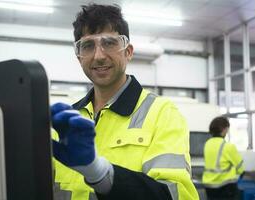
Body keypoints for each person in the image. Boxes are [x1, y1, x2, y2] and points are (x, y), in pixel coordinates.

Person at [51, 3, 199, 200]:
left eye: (109, 43)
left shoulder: (163, 114)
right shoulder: (66, 121)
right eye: (87, 46)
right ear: (79, 57)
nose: (99, 56)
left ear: (128, 52)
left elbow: (176, 195)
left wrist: (99, 173)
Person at [202, 116, 244, 200]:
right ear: (224, 129)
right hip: (225, 186)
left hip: (209, 186)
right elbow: (240, 168)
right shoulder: (228, 146)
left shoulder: (207, 144)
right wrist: (240, 173)